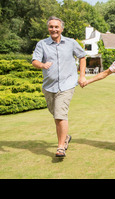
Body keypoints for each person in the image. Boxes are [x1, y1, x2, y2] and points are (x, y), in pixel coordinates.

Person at [32, 16, 87, 158]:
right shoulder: (42, 44)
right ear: (48, 28)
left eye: (56, 27)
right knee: (55, 113)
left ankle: (61, 147)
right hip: (49, 86)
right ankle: (65, 136)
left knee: (60, 115)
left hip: (67, 84)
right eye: (51, 27)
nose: (54, 29)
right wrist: (42, 65)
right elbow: (35, 60)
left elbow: (82, 56)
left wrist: (82, 76)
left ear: (61, 28)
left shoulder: (71, 43)